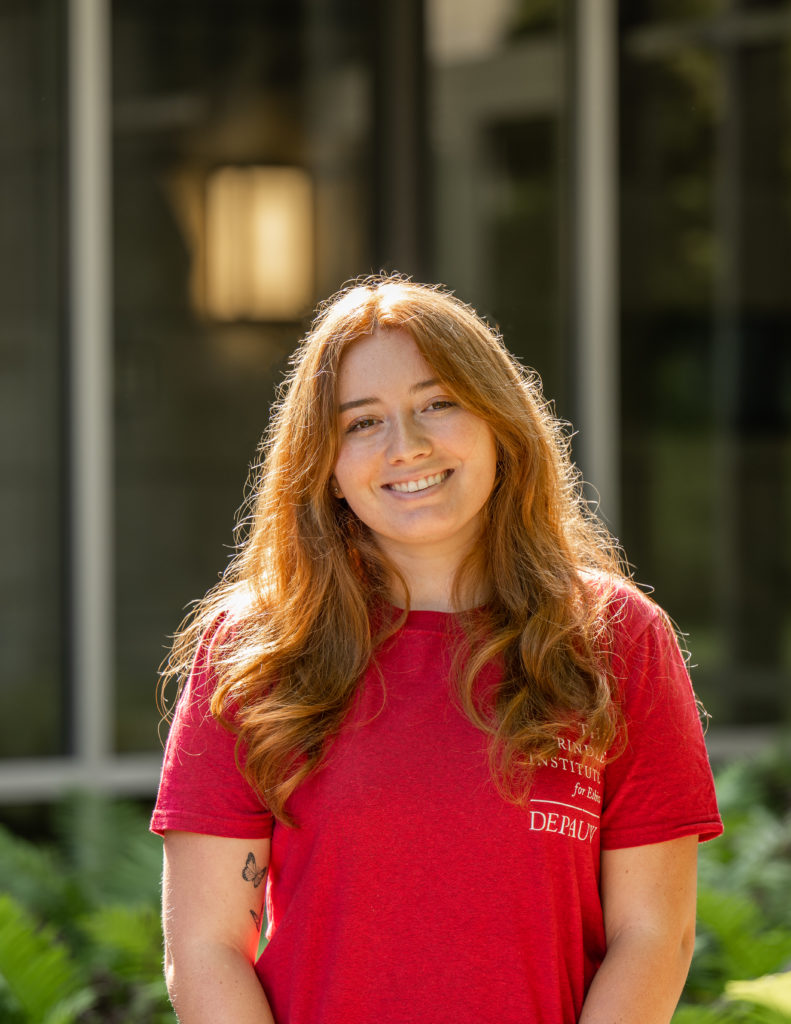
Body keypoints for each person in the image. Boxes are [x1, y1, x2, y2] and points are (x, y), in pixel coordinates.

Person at [151, 274, 722, 1024]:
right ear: (322, 463)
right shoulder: (256, 649)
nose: (406, 446)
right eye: (361, 422)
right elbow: (204, 944)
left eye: (437, 403)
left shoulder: (614, 639)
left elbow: (654, 934)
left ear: (499, 421)